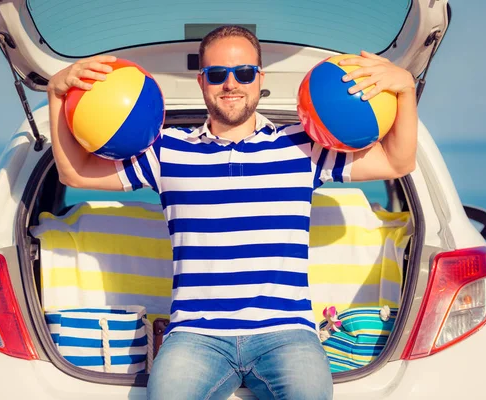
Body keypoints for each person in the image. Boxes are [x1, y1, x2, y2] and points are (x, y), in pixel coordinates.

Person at [47, 25, 417, 400]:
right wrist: (56, 94)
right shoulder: (165, 152)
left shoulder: (305, 148)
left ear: (260, 78)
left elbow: (397, 161)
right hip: (196, 337)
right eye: (217, 74)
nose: (231, 84)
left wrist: (405, 88)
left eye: (243, 73)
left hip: (286, 333)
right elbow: (74, 171)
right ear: (201, 81)